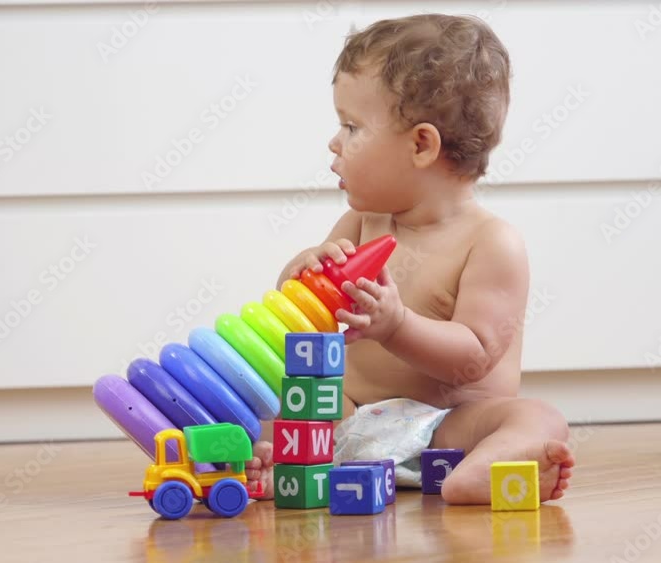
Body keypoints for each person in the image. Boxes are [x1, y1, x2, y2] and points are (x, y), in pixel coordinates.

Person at [245, 13, 575, 504]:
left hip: (450, 429)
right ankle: (285, 465)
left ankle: (486, 468)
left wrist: (396, 325)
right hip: (349, 418)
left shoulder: (491, 242)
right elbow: (305, 318)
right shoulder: (363, 223)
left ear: (421, 145)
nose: (334, 142)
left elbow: (475, 357)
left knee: (539, 417)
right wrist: (303, 270)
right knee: (267, 402)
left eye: (351, 127)